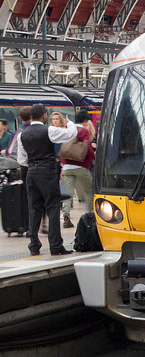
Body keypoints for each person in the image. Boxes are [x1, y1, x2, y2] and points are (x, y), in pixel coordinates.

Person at [19, 104, 77, 256]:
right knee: (52, 207)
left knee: (34, 208)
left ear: (31, 116)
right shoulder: (49, 131)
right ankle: (55, 245)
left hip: (31, 173)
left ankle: (33, 245)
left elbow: (22, 159)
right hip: (47, 173)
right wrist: (69, 122)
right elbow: (71, 134)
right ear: (44, 115)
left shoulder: (22, 135)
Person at [60, 110, 95, 228]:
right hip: (81, 166)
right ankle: (90, 215)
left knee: (68, 193)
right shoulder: (84, 131)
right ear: (85, 121)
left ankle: (66, 217)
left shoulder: (68, 130)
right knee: (89, 190)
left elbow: (64, 147)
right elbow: (88, 148)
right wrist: (94, 157)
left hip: (67, 167)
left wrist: (62, 166)